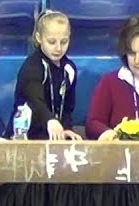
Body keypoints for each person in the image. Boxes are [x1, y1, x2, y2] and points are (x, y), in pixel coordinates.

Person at [10, 11, 84, 141]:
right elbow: (35, 100)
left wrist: (66, 128)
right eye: (51, 42)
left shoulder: (69, 69)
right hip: (25, 136)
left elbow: (67, 108)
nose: (58, 48)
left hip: (55, 135)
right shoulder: (32, 67)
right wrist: (50, 120)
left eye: (64, 41)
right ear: (39, 38)